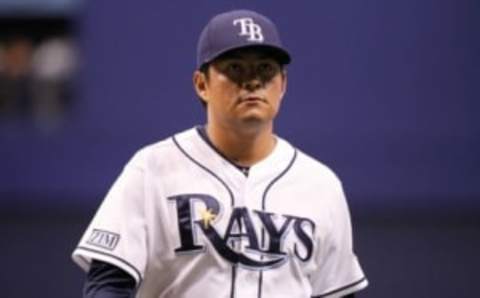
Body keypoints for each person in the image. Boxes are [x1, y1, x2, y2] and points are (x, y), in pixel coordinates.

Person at [72, 9, 368, 298]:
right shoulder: (152, 168)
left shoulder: (320, 185)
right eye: (235, 68)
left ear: (283, 84)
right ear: (202, 85)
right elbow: (107, 283)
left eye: (266, 68)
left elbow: (336, 291)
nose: (253, 81)